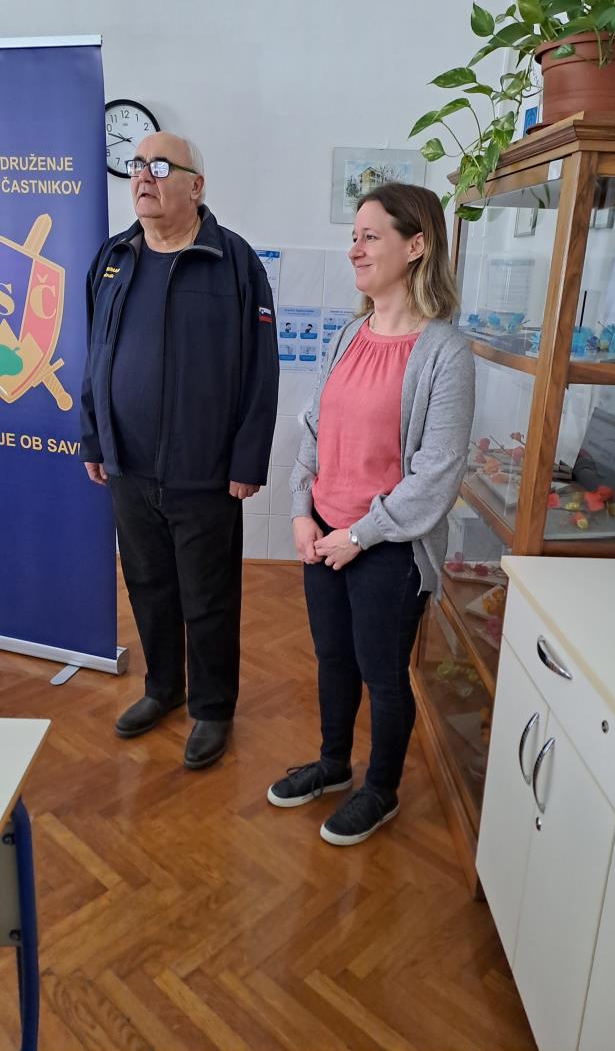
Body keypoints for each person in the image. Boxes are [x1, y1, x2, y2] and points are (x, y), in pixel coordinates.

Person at [267, 183, 474, 844]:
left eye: (369, 237)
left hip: (388, 547)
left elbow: (437, 473)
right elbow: (315, 429)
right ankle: (332, 765)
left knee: (382, 674)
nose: (353, 249)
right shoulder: (348, 335)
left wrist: (358, 535)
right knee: (333, 658)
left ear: (416, 246)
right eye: (352, 237)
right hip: (325, 533)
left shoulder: (445, 352)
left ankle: (380, 790)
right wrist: (301, 511)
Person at [80, 132, 278, 769]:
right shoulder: (112, 259)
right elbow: (95, 358)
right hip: (128, 469)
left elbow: (261, 371)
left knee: (209, 597)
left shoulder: (234, 262)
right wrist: (93, 436)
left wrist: (248, 460)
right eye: (137, 165)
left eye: (160, 166)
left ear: (196, 186)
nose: (144, 176)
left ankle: (212, 709)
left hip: (205, 473)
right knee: (148, 586)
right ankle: (163, 688)